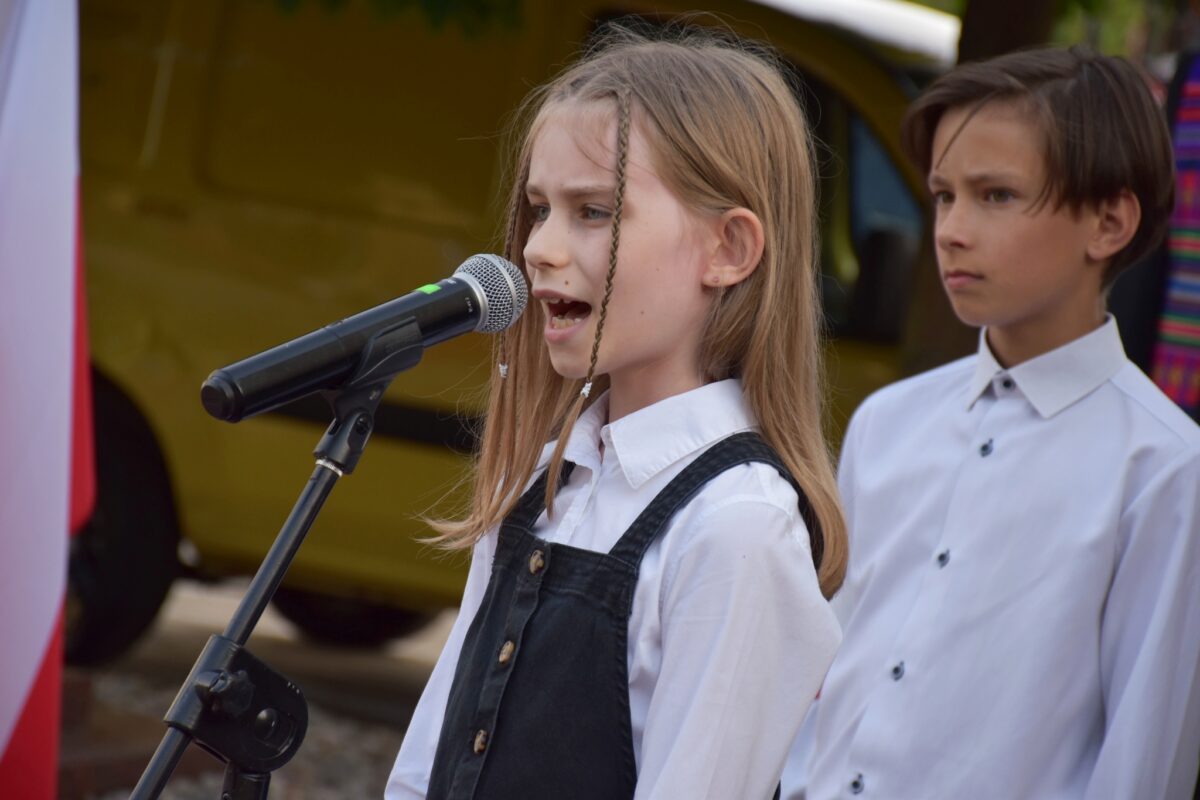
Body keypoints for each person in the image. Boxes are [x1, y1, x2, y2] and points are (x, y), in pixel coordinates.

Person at [386, 26, 847, 800]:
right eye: (538, 210)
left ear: (729, 248)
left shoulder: (736, 526)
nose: (538, 247)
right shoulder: (547, 478)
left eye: (593, 212)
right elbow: (425, 763)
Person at [784, 46, 1200, 799]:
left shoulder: (1165, 469)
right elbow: (827, 669)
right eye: (944, 195)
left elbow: (1143, 757)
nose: (951, 228)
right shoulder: (886, 424)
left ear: (1108, 221)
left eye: (996, 195)